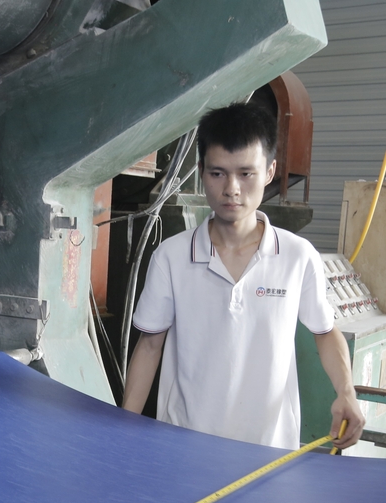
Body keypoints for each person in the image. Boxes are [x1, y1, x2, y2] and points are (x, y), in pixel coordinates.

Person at [121, 102, 364, 450]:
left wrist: (346, 392)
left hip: (268, 451)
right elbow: (149, 346)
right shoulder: (171, 257)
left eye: (246, 173)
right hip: (182, 446)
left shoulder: (297, 256)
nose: (232, 188)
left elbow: (325, 333)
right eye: (218, 173)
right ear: (201, 172)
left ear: (269, 171)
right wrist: (123, 430)